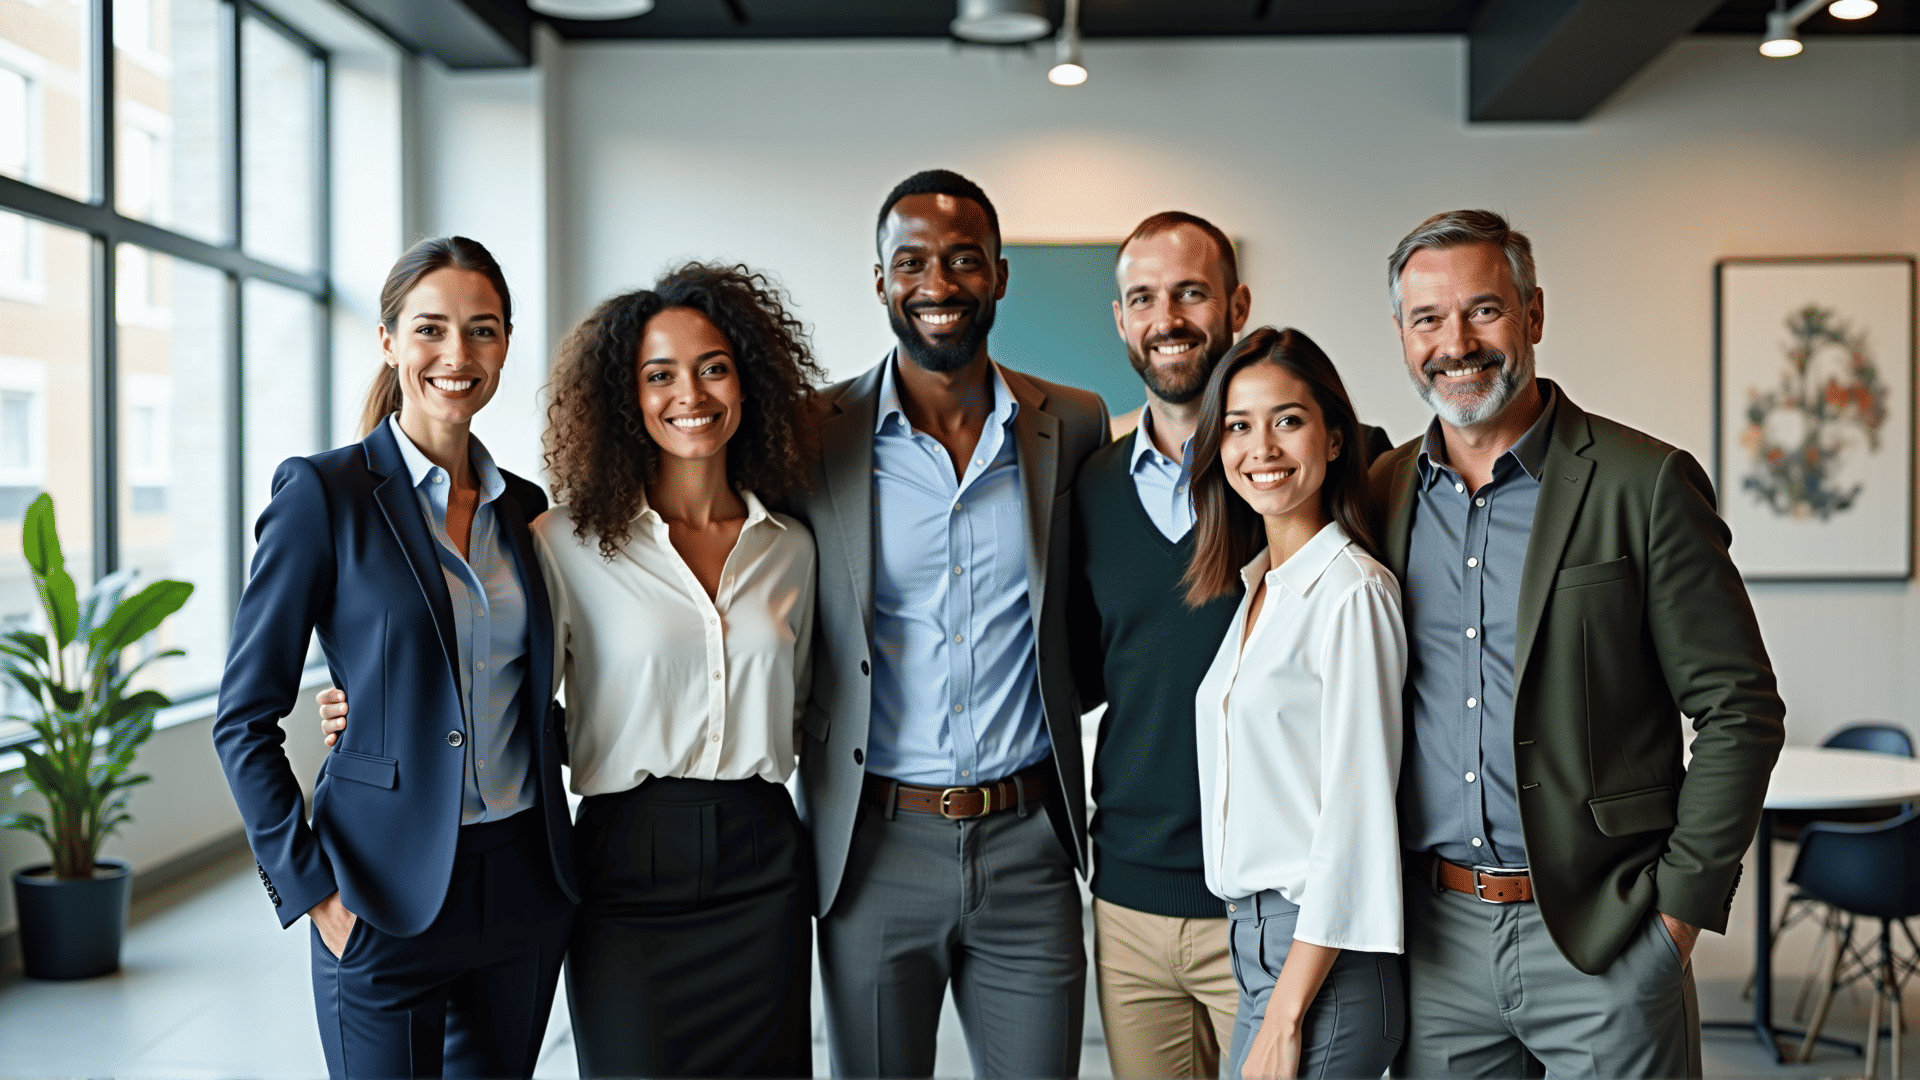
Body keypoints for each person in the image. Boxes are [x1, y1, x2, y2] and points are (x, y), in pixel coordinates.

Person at [320, 263, 825, 1078]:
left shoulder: (792, 547)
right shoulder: (564, 543)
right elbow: (498, 685)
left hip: (764, 862)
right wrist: (377, 710)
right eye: (658, 375)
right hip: (626, 863)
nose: (688, 394)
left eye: (713, 368)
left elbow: (813, 707)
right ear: (626, 398)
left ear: (748, 383)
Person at [1371, 209, 1785, 1078]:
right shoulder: (1380, 492)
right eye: (1427, 319)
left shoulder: (1644, 482)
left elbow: (1738, 707)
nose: (1457, 342)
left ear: (1534, 315)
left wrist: (1676, 920)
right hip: (1434, 944)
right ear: (1403, 336)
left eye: (1483, 310)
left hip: (1606, 937)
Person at [212, 236, 577, 1080]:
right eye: (431, 329)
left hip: (522, 879)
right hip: (376, 890)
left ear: (507, 344)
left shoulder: (526, 509)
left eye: (482, 330)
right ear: (389, 341)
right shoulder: (323, 496)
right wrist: (314, 894)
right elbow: (242, 719)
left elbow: (520, 684)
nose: (458, 355)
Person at [780, 168, 1108, 1079]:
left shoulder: (1073, 424)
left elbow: (1100, 601)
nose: (939, 285)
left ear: (1000, 275)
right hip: (874, 842)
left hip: (1029, 842)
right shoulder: (814, 436)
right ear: (880, 280)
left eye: (964, 260)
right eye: (912, 262)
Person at [1182, 326, 1408, 1080]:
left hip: (1321, 963)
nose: (1262, 448)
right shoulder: (1259, 591)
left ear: (1335, 437)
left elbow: (1356, 820)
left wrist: (1286, 1012)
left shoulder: (1351, 593)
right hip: (1255, 949)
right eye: (1239, 426)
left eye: (1288, 420)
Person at [1065, 211, 1251, 1079]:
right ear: (1120, 320)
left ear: (1236, 305)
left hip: (1263, 897)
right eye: (1144, 297)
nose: (1167, 317)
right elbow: (1082, 673)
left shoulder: (1301, 474)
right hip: (1130, 897)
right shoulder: (1090, 487)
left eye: (1190, 293)